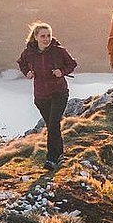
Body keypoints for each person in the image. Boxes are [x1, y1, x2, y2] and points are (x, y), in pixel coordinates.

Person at [17, 21, 77, 167]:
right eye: (43, 36)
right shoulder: (29, 53)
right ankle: (60, 155)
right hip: (41, 97)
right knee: (52, 127)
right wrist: (27, 73)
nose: (46, 38)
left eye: (48, 35)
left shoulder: (59, 51)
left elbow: (72, 64)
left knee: (53, 124)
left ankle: (51, 158)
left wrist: (61, 72)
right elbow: (21, 63)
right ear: (35, 37)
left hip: (59, 93)